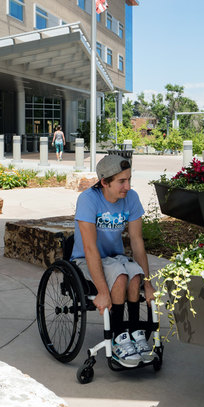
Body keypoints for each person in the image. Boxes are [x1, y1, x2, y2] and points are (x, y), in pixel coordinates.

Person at [71, 154, 155, 368]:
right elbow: (90, 248)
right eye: (121, 181)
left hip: (115, 257)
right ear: (104, 182)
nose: (127, 186)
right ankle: (119, 338)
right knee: (120, 276)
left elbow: (137, 242)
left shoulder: (132, 198)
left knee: (134, 275)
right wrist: (102, 291)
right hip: (86, 259)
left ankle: (136, 334)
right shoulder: (88, 200)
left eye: (129, 179)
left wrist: (148, 283)